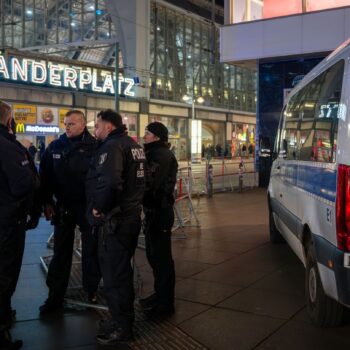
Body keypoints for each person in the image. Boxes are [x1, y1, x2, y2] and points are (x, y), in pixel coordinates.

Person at [86, 109, 145, 345]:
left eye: (97, 126)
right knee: (121, 273)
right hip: (129, 217)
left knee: (114, 276)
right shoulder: (132, 144)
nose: (95, 130)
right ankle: (120, 320)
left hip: (116, 221)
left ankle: (122, 327)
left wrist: (99, 207)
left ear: (109, 126)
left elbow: (109, 181)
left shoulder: (112, 146)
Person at [39, 110, 101, 314]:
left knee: (90, 252)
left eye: (72, 124)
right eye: (65, 124)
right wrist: (47, 201)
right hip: (63, 207)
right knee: (61, 253)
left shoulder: (96, 146)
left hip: (87, 207)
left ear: (83, 125)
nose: (67, 127)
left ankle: (91, 290)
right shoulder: (56, 146)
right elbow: (45, 176)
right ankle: (55, 296)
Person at [0, 101, 41, 349]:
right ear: (8, 120)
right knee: (4, 275)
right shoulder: (9, 147)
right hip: (7, 223)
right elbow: (24, 184)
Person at [139, 122, 178, 317]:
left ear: (156, 137)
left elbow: (150, 183)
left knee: (161, 259)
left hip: (160, 212)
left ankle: (165, 304)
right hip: (155, 211)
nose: (144, 135)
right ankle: (160, 295)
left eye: (147, 133)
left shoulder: (160, 155)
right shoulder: (154, 153)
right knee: (154, 256)